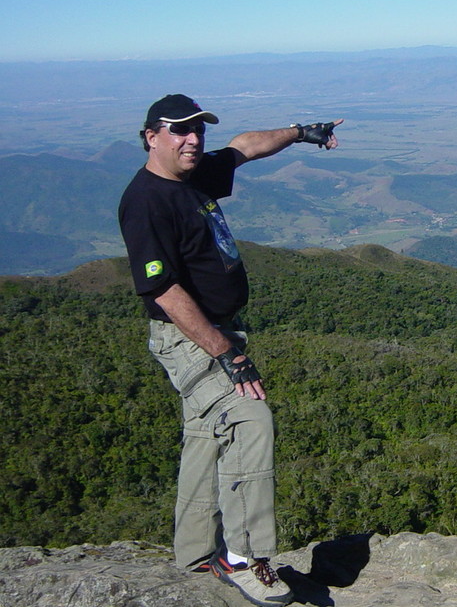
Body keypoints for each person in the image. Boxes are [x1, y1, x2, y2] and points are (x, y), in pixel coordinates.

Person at [118, 94, 342, 607]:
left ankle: (195, 550)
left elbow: (244, 147)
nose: (193, 139)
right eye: (179, 131)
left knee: (205, 430)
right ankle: (243, 558)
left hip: (219, 329)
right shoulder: (146, 200)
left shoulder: (192, 175)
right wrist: (228, 353)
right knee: (249, 418)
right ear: (151, 137)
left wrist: (300, 131)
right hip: (192, 336)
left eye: (198, 129)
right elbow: (162, 290)